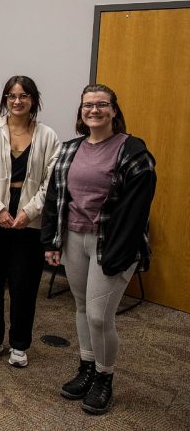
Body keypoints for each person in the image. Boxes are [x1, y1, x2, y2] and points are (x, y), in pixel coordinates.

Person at [42, 84, 156, 415]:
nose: (94, 110)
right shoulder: (69, 149)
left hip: (113, 244)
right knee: (81, 308)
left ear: (114, 111)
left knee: (98, 315)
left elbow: (137, 211)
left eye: (102, 104)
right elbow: (55, 198)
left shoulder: (133, 151)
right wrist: (51, 241)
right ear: (81, 112)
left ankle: (104, 378)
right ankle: (87, 367)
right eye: (87, 105)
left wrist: (119, 256)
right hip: (74, 239)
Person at [0, 76, 60, 367]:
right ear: (5, 99)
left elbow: (52, 181)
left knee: (25, 285)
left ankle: (20, 344)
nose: (17, 101)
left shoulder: (47, 136)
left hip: (28, 223)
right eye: (11, 95)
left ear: (33, 100)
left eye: (24, 95)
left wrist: (29, 212)